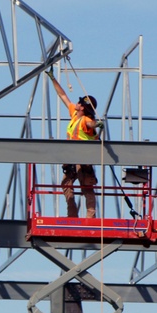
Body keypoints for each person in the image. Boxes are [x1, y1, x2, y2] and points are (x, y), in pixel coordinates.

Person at [46, 69, 103, 218]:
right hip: (71, 157)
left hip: (83, 159)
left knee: (87, 188)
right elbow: (62, 95)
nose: (76, 103)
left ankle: (90, 217)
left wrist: (98, 125)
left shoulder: (85, 120)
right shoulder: (74, 115)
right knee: (66, 183)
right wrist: (53, 79)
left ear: (82, 107)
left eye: (79, 102)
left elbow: (91, 124)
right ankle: (72, 215)